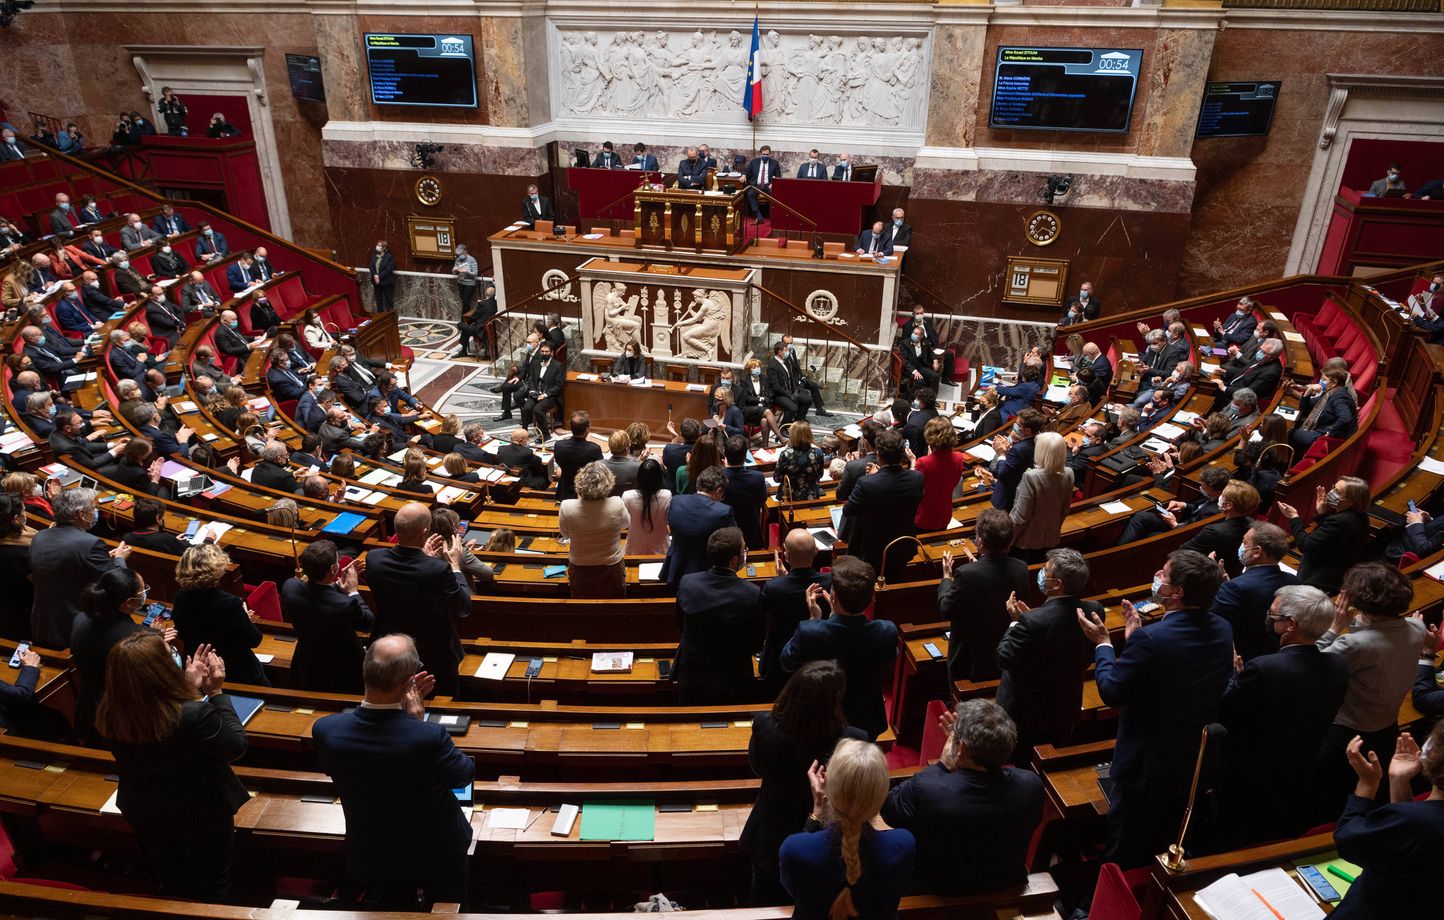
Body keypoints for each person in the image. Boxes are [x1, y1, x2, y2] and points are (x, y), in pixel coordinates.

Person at [1077, 549, 1232, 869]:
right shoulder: (1221, 627)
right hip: (1190, 760)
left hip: (1145, 765)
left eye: (1163, 573)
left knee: (1125, 846)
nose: (1157, 576)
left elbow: (1112, 691)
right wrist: (1137, 640)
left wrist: (1105, 644)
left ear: (1177, 592)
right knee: (1162, 838)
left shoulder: (1152, 640)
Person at [312, 634, 474, 910]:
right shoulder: (428, 738)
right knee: (449, 906)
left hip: (373, 851)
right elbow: (462, 774)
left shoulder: (326, 731)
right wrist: (415, 723)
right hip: (436, 852)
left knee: (395, 909)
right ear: (408, 683)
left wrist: (400, 711)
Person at [96, 633, 247, 900]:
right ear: (160, 671)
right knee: (213, 883)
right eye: (170, 654)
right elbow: (235, 746)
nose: (177, 655)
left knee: (172, 878)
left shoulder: (110, 710)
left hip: (144, 809)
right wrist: (215, 693)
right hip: (198, 813)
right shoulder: (192, 715)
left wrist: (188, 688)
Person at [1215, 585, 1348, 849]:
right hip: (1300, 771)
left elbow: (1227, 712)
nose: (1269, 618)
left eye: (1274, 616)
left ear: (1291, 625)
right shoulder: (1338, 665)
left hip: (1247, 777)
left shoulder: (1264, 669)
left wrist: (1235, 677)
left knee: (1234, 840)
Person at [881, 700, 1044, 895]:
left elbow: (889, 809)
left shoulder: (927, 787)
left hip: (937, 888)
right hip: (1003, 882)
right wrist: (960, 746)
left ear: (961, 749)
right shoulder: (1031, 785)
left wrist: (942, 766)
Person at [742, 661, 867, 906]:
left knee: (764, 896)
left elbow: (757, 767)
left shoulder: (765, 726)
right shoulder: (853, 739)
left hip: (772, 831)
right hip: (828, 839)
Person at [1314, 562, 1425, 818]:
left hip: (1347, 735)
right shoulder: (1416, 628)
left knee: (1332, 797)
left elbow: (1308, 663)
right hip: (1387, 729)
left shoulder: (1353, 644)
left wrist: (1334, 628)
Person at [779, 738, 914, 919]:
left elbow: (793, 889)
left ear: (830, 789)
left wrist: (816, 815)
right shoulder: (902, 845)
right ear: (881, 796)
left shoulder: (794, 848)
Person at [995, 547, 1101, 757]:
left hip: (1025, 715)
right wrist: (1031, 619)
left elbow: (1003, 658)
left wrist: (1016, 622)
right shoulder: (1093, 611)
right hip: (1065, 709)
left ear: (1056, 585)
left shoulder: (1031, 621)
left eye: (1046, 571)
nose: (1042, 574)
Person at [1331, 724, 1444, 918]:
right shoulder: (1416, 821)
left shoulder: (1414, 822)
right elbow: (1407, 854)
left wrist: (1366, 785)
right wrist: (1399, 781)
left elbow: (1348, 840)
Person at [781, 556, 897, 740]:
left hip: (820, 717)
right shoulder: (887, 631)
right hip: (865, 717)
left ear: (833, 596)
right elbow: (887, 659)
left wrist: (814, 619)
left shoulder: (810, 631)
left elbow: (787, 662)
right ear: (870, 599)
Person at [365, 503, 470, 696]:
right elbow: (463, 607)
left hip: (387, 649)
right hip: (432, 655)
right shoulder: (438, 570)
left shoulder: (374, 559)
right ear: (424, 533)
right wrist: (455, 566)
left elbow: (406, 580)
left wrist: (424, 558)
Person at [29, 488, 129, 648]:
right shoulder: (90, 543)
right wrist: (119, 559)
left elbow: (66, 566)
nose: (96, 511)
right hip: (74, 625)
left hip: (42, 622)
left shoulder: (39, 537)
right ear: (81, 514)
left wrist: (101, 559)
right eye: (93, 508)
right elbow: (116, 582)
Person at [674, 527, 763, 703]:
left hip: (694, 674)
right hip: (734, 678)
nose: (746, 553)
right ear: (734, 559)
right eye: (744, 549)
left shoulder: (687, 583)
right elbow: (756, 642)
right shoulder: (752, 593)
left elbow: (680, 624)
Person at [938, 509, 1028, 682]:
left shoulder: (965, 574)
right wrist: (978, 566)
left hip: (969, 660)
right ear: (1009, 542)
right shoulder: (1021, 568)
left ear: (980, 541)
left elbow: (946, 609)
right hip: (1004, 651)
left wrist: (947, 578)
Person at [281, 540, 373, 694]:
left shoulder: (290, 587)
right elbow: (367, 623)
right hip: (343, 668)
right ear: (334, 568)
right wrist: (352, 591)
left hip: (308, 663)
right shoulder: (346, 604)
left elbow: (319, 597)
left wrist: (337, 587)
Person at [71, 567, 152, 743]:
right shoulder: (138, 638)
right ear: (129, 602)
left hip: (88, 708)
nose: (145, 591)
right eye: (142, 589)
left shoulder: (80, 619)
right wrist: (156, 638)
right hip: (123, 717)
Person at [170, 544, 268, 687]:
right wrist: (245, 618)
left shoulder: (180, 597)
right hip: (234, 672)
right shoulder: (229, 603)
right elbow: (254, 640)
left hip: (198, 669)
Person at [1209, 521, 1299, 663]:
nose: (1241, 547)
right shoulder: (1295, 581)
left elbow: (1211, 623)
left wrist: (1214, 585)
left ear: (1257, 552)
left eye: (1244, 543)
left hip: (1242, 659)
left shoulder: (1234, 588)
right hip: (1278, 655)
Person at [839, 429, 923, 580]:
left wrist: (873, 478)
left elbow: (848, 510)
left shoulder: (867, 483)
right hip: (902, 547)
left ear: (878, 454)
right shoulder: (917, 478)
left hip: (872, 550)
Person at [758, 529, 832, 694]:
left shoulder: (773, 588)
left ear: (786, 555)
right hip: (818, 662)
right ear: (816, 552)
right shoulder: (830, 583)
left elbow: (763, 620)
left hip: (779, 667)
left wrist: (780, 581)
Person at [1277, 477, 1369, 594]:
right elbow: (1333, 537)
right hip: (1335, 577)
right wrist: (1322, 514)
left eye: (1337, 492)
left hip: (1318, 582)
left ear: (1350, 501)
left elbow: (1305, 545)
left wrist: (1294, 518)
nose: (1331, 493)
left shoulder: (1341, 521)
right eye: (1333, 488)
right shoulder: (1361, 516)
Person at [558, 461, 628, 598]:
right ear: (608, 482)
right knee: (614, 606)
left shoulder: (567, 506)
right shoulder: (617, 503)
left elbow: (565, 533)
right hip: (611, 565)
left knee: (582, 606)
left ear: (579, 482)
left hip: (579, 566)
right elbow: (625, 524)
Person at [662, 466, 735, 587]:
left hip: (676, 570)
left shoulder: (676, 501)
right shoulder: (723, 511)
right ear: (718, 491)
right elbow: (732, 541)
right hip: (707, 573)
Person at [1009, 431, 1073, 562]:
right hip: (1051, 537)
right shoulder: (1069, 473)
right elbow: (1065, 509)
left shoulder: (1031, 476)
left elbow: (1020, 517)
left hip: (1025, 541)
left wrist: (1008, 540)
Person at [912, 418, 963, 533]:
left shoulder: (923, 463)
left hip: (924, 517)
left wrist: (914, 462)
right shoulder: (959, 458)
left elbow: (915, 488)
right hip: (944, 514)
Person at [988, 408, 1044, 510]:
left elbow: (1002, 474)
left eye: (1017, 425)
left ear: (1027, 430)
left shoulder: (1018, 449)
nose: (1014, 426)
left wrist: (1001, 454)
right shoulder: (1040, 440)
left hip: (1008, 496)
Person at [722, 434, 768, 548]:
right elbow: (762, 499)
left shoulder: (719, 476)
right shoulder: (758, 477)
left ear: (725, 455)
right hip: (750, 527)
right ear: (745, 456)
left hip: (725, 527)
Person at [0, 494, 35, 640]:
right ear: (15, 519)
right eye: (23, 512)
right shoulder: (21, 553)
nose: (25, 516)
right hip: (19, 607)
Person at [622, 458, 671, 556]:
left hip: (633, 549)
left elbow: (624, 524)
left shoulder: (627, 496)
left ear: (639, 476)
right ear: (659, 477)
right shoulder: (666, 495)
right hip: (661, 550)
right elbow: (668, 521)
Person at [552, 410, 602, 502]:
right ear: (587, 429)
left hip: (565, 492)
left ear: (571, 428)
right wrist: (590, 443)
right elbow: (599, 469)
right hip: (586, 492)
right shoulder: (594, 448)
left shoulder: (559, 445)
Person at [736, 358, 785, 447]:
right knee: (767, 411)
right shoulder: (744, 380)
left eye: (758, 367)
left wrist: (762, 403)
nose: (756, 369)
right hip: (748, 409)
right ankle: (779, 436)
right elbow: (747, 398)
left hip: (761, 408)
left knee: (764, 420)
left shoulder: (764, 378)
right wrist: (759, 400)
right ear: (749, 370)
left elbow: (767, 395)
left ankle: (765, 446)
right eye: (753, 367)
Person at [775, 421, 826, 505]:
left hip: (790, 497)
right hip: (811, 495)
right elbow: (820, 474)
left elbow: (777, 478)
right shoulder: (818, 452)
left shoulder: (786, 454)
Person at [520, 340, 564, 433]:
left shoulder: (557, 366)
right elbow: (531, 379)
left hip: (549, 396)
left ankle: (545, 435)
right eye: (542, 351)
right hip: (536, 393)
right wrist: (532, 390)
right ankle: (524, 431)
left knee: (537, 409)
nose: (544, 353)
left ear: (551, 353)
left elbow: (559, 385)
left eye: (546, 352)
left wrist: (545, 395)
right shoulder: (536, 363)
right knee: (525, 408)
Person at [744, 145, 780, 220]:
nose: (765, 156)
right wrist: (744, 175)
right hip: (756, 185)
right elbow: (747, 171)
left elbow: (778, 176)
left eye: (767, 154)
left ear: (770, 154)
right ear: (760, 154)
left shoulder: (775, 163)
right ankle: (758, 215)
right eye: (763, 154)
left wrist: (773, 184)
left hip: (768, 185)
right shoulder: (754, 162)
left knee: (776, 195)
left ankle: (774, 216)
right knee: (750, 194)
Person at [600, 430, 639, 496]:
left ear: (609, 446)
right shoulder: (638, 467)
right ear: (627, 448)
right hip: (627, 505)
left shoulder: (598, 466)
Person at [369, 240, 397, 312]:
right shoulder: (374, 255)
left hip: (386, 282)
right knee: (378, 300)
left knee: (389, 300)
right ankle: (380, 316)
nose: (377, 247)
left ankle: (391, 316)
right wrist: (375, 275)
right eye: (377, 245)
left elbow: (388, 270)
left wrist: (379, 277)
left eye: (379, 245)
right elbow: (371, 267)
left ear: (384, 248)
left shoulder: (389, 257)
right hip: (376, 282)